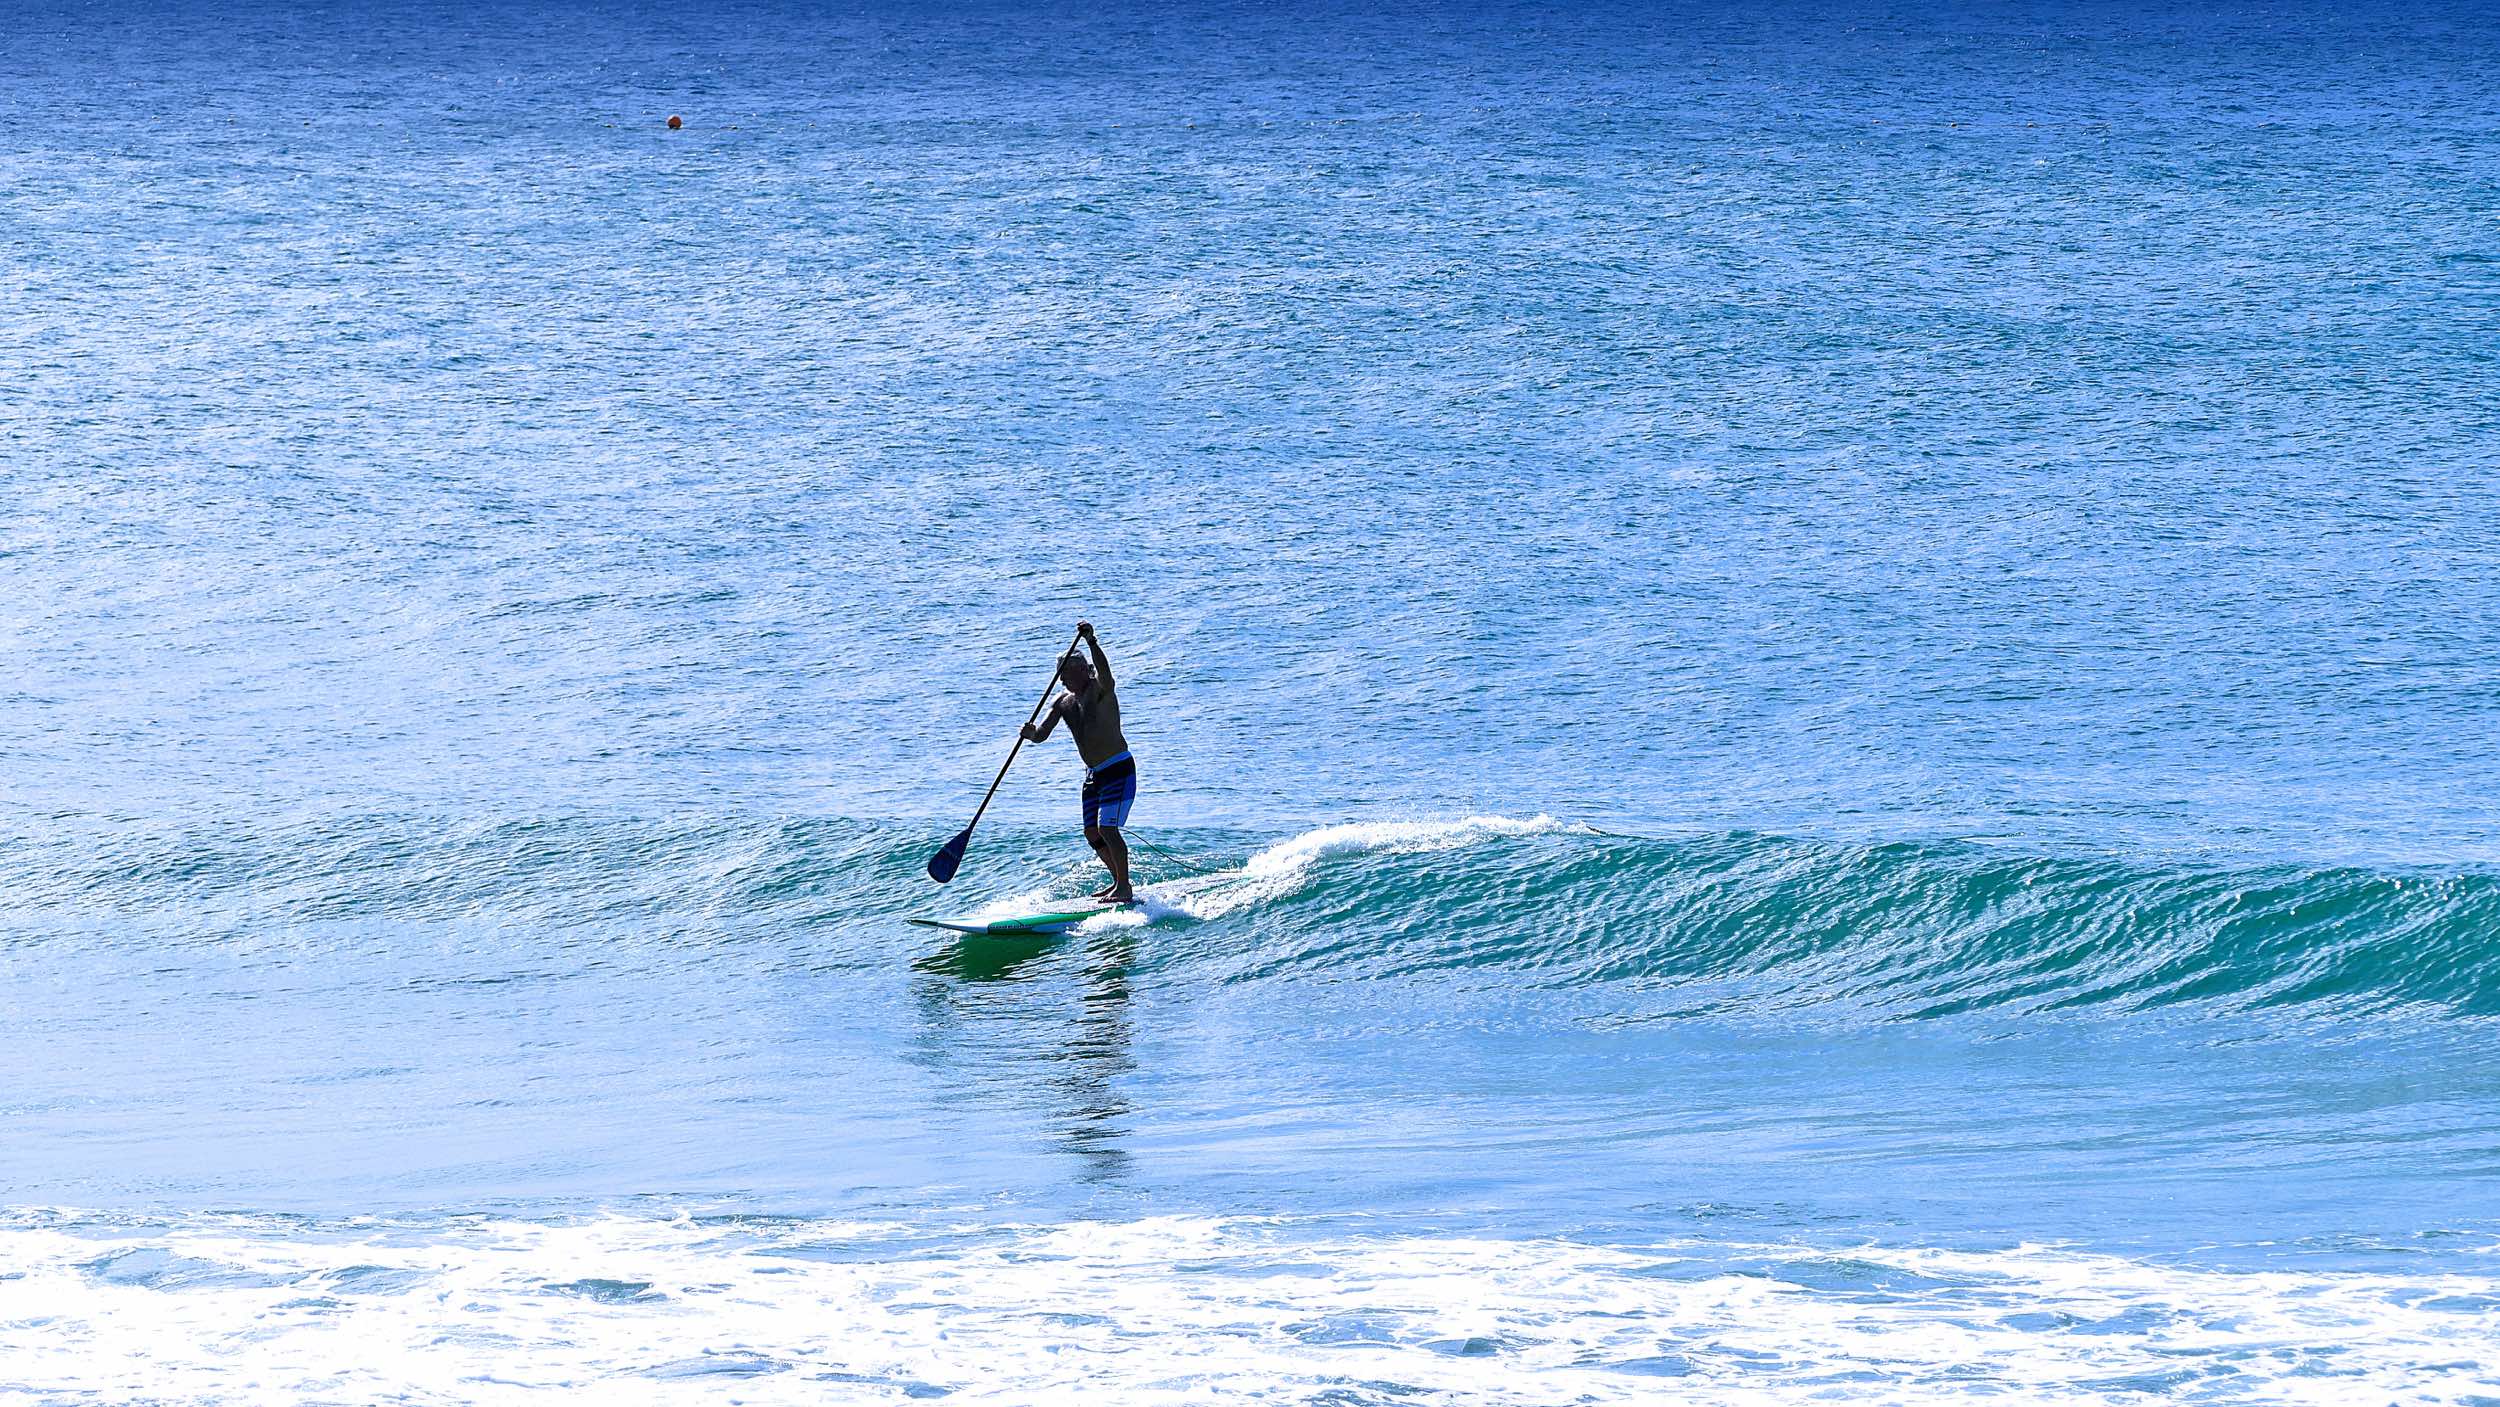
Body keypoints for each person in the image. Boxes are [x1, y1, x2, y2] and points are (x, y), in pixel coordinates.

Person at [1023, 621, 1137, 904]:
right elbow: (1042, 735)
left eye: (1066, 674)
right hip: (1093, 776)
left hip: (1118, 769)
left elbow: (1107, 674)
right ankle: (1117, 882)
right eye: (1059, 675)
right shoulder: (1062, 702)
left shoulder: (1100, 689)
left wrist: (1092, 641)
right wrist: (1030, 734)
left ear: (1083, 670)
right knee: (1092, 832)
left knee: (1108, 829)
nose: (1061, 680)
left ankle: (1125, 887)